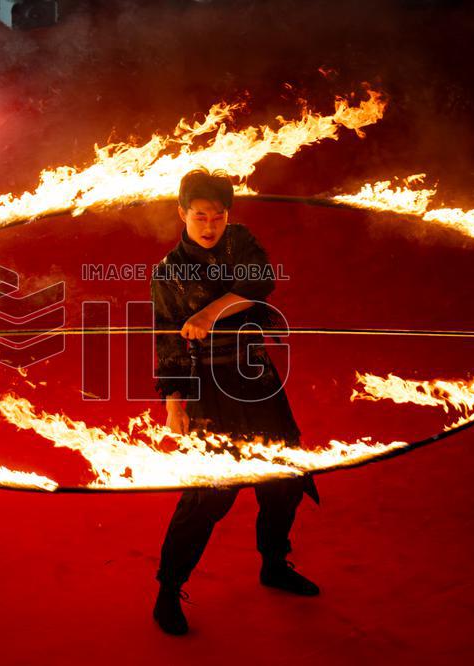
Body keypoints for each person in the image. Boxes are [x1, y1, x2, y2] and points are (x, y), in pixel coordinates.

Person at [150, 168, 320, 636]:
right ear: (181, 214)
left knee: (284, 479)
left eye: (218, 216)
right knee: (209, 495)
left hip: (256, 377)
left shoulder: (240, 243)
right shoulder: (167, 274)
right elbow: (167, 340)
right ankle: (168, 589)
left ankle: (273, 563)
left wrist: (208, 312)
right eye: (200, 216)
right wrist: (175, 404)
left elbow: (259, 282)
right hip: (207, 386)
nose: (209, 226)